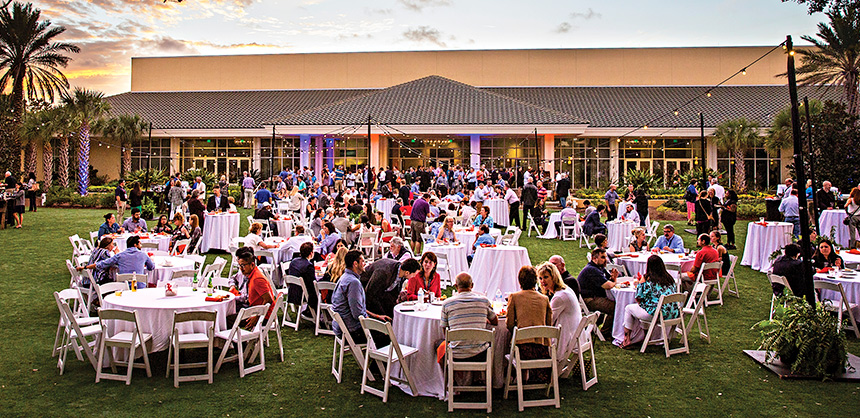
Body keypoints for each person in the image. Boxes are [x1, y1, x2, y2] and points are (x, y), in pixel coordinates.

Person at [620, 255, 681, 348]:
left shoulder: (648, 279)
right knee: (646, 308)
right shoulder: (670, 279)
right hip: (673, 313)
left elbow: (638, 298)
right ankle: (646, 336)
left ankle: (627, 338)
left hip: (658, 314)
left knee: (628, 308)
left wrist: (641, 284)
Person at [331, 250, 391, 344]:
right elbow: (357, 314)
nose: (365, 264)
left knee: (383, 324)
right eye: (362, 261)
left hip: (341, 327)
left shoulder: (345, 277)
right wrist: (375, 323)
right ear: (355, 264)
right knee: (387, 333)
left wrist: (377, 316)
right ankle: (382, 358)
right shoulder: (353, 282)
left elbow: (357, 307)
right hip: (352, 331)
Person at [441, 272, 499, 368]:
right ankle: (477, 378)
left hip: (456, 354)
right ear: (472, 285)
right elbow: (495, 322)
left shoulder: (447, 304)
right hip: (480, 354)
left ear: (456, 286)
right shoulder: (483, 301)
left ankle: (451, 379)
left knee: (437, 344)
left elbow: (445, 331)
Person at [506, 266, 553, 383]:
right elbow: (548, 324)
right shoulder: (544, 299)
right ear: (535, 280)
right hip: (542, 348)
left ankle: (513, 378)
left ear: (520, 281)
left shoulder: (514, 297)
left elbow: (509, 324)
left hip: (523, 349)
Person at [537, 262, 581, 374]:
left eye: (546, 277)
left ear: (554, 277)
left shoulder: (559, 297)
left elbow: (548, 322)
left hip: (566, 338)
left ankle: (536, 373)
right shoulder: (565, 290)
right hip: (576, 334)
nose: (543, 281)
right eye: (540, 278)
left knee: (530, 336)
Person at [229, 247, 276, 327]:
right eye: (240, 266)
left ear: (252, 264)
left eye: (243, 265)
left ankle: (233, 338)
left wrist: (256, 317)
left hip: (263, 316)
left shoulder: (257, 278)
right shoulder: (251, 274)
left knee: (228, 320)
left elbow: (269, 300)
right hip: (254, 309)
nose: (241, 269)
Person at [577, 248, 619, 336]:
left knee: (613, 304)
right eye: (603, 257)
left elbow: (607, 280)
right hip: (588, 299)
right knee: (615, 307)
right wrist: (614, 282)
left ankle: (595, 329)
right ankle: (605, 332)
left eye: (606, 257)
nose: (606, 260)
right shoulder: (591, 270)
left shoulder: (599, 268)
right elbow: (608, 285)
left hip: (595, 296)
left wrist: (613, 278)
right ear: (594, 258)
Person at [85, 235, 154, 288]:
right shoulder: (143, 254)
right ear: (135, 245)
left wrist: (86, 267)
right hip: (140, 287)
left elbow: (103, 264)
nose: (141, 245)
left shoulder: (120, 255)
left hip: (123, 287)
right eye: (140, 243)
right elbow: (151, 267)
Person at [286, 242, 317, 318]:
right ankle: (316, 313)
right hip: (301, 294)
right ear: (311, 253)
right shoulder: (308, 266)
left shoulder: (294, 261)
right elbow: (312, 284)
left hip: (292, 291)